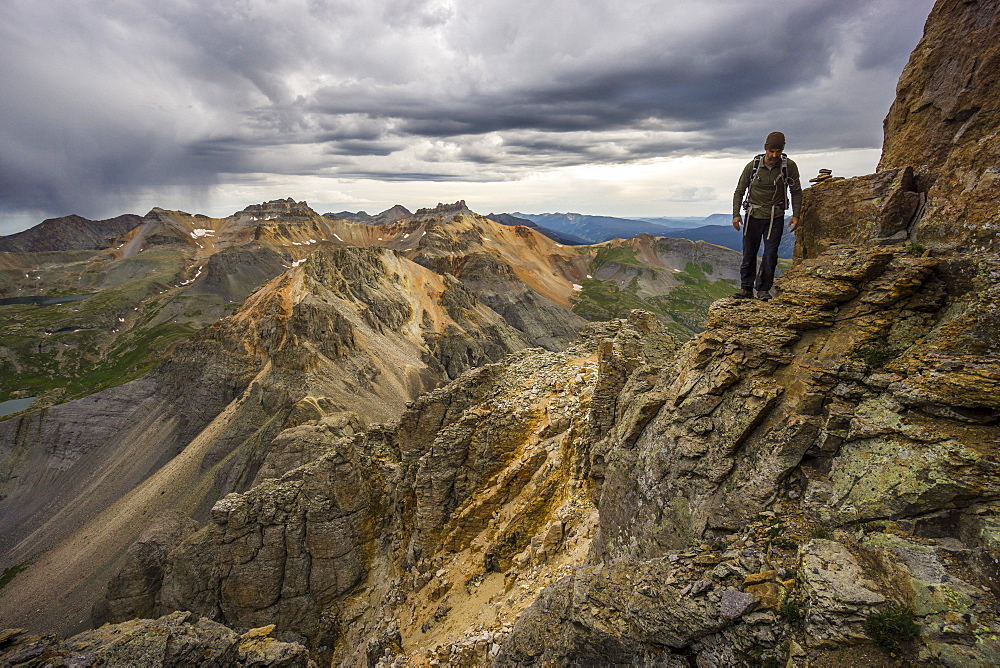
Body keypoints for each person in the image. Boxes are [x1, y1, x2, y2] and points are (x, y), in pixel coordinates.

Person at [731, 131, 802, 300]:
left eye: (778, 151)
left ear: (783, 149)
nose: (774, 155)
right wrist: (736, 214)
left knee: (770, 254)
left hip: (774, 216)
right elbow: (740, 191)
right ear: (765, 149)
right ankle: (746, 289)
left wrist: (796, 214)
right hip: (753, 215)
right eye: (771, 151)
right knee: (749, 252)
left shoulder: (788, 166)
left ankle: (763, 290)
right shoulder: (753, 166)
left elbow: (796, 191)